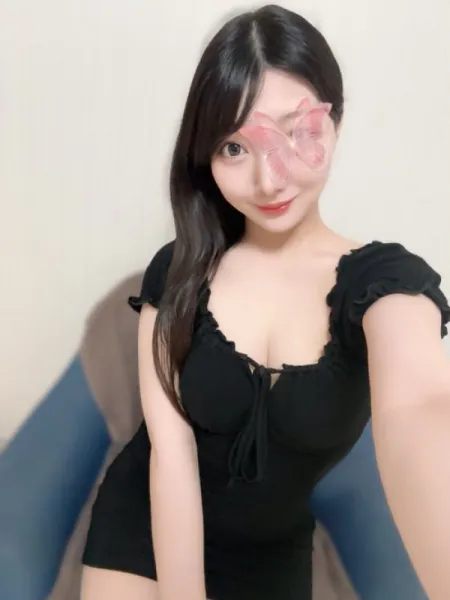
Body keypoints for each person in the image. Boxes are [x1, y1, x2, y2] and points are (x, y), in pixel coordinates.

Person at [80, 5, 450, 600]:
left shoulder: (383, 284)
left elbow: (422, 410)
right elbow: (170, 457)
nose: (269, 180)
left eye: (295, 132)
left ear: (335, 119)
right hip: (145, 530)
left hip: (271, 554)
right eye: (234, 147)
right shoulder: (178, 271)